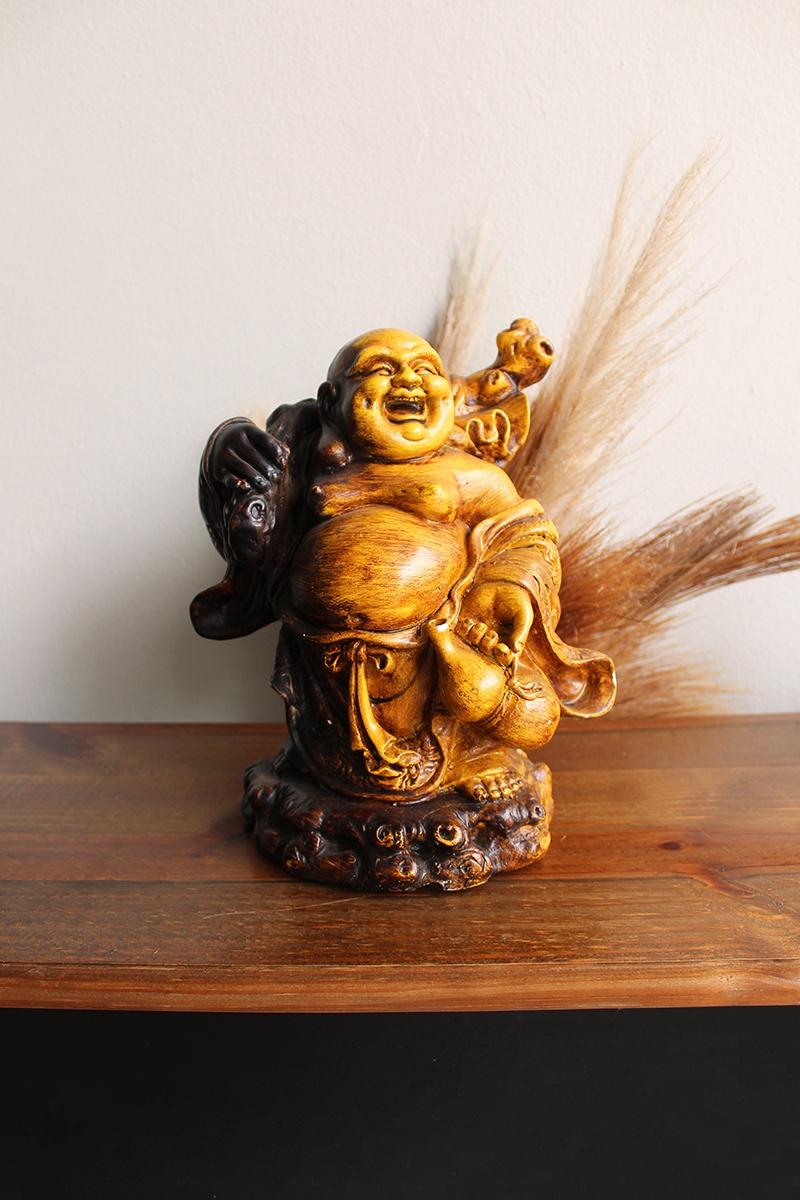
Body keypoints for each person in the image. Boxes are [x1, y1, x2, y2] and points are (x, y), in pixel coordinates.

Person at [192, 326, 615, 804]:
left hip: (437, 653)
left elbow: (525, 536)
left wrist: (509, 587)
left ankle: (472, 760)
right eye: (380, 368)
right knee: (330, 761)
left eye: (426, 369)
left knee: (490, 698)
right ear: (331, 402)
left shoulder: (470, 474)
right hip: (323, 663)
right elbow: (247, 538)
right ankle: (325, 772)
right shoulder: (307, 461)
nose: (409, 380)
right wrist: (225, 448)